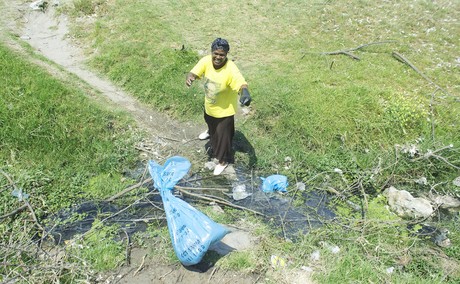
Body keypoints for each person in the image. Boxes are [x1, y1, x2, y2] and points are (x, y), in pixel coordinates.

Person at [186, 38, 252, 175]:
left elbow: (240, 82)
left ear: (226, 54)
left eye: (222, 55)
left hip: (224, 112)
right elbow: (195, 71)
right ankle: (210, 132)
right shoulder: (206, 61)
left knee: (223, 139)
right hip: (209, 105)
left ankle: (224, 161)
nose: (218, 57)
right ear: (212, 52)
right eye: (216, 53)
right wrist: (191, 76)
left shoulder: (230, 69)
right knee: (209, 121)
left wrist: (244, 92)